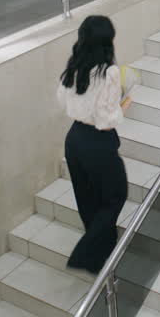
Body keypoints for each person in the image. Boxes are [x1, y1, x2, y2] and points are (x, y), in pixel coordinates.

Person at [57, 15, 130, 272]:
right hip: (97, 142)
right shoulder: (109, 72)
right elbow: (106, 119)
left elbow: (62, 101)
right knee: (116, 196)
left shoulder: (74, 66)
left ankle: (102, 256)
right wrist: (123, 105)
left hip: (74, 140)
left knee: (88, 200)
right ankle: (85, 254)